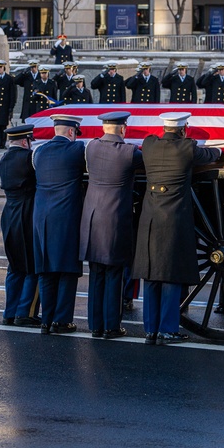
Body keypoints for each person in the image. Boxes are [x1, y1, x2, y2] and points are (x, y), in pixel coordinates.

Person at [132, 112, 221, 345]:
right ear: (184, 129)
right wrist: (221, 149)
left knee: (150, 274)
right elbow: (213, 154)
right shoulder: (187, 148)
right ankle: (168, 329)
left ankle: (150, 329)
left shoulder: (149, 144)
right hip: (173, 219)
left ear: (164, 128)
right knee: (171, 275)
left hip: (150, 217)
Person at [80, 111, 144, 339]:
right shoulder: (129, 153)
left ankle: (95, 325)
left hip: (92, 218)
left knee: (96, 273)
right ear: (123, 128)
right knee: (114, 274)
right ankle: (111, 326)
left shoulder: (91, 147)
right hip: (115, 219)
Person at [32, 114, 86, 334]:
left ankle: (46, 319)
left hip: (41, 218)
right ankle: (62, 320)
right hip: (66, 218)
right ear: (72, 132)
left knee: (46, 269)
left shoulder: (39, 152)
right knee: (67, 269)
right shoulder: (76, 150)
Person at [0, 124, 41, 327]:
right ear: (25, 141)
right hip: (27, 214)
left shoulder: (4, 159)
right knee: (32, 265)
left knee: (15, 266)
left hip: (9, 214)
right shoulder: (29, 158)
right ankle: (25, 312)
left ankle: (10, 312)